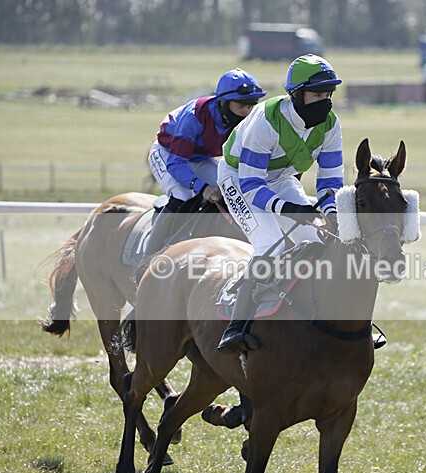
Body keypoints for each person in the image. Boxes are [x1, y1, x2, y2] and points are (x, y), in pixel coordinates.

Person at [216, 54, 344, 354]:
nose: (324, 101)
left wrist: (332, 213)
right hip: (239, 177)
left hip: (281, 178)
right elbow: (251, 185)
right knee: (271, 242)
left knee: (313, 240)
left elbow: (330, 183)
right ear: (296, 94)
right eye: (317, 94)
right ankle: (236, 326)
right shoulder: (267, 119)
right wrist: (291, 210)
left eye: (328, 94)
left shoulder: (330, 125)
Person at [141, 68, 267, 263]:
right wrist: (201, 187)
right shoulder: (195, 116)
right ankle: (148, 258)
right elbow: (176, 163)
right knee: (181, 195)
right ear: (223, 103)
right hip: (168, 154)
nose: (247, 112)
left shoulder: (245, 122)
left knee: (231, 190)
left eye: (251, 106)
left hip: (200, 158)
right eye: (241, 105)